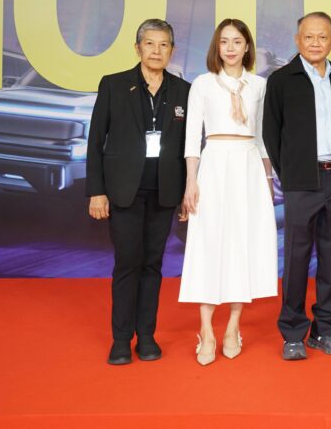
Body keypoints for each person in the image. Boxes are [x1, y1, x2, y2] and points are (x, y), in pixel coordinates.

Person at [86, 19, 190, 365]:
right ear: (138, 48)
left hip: (164, 192)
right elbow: (95, 141)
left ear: (172, 50)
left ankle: (146, 336)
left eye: (163, 45)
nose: (156, 51)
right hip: (123, 190)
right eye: (150, 44)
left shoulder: (184, 91)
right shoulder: (114, 85)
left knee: (153, 264)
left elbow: (189, 147)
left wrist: (186, 192)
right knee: (128, 262)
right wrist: (97, 191)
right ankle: (120, 339)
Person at [178, 19, 278, 365]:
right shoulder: (202, 84)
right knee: (208, 244)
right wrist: (191, 181)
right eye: (224, 42)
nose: (231, 48)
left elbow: (262, 136)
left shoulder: (260, 85)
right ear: (216, 47)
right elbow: (192, 136)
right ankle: (206, 329)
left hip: (248, 166)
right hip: (214, 165)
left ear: (247, 46)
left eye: (237, 41)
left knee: (243, 245)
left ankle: (233, 326)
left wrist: (267, 179)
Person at [263, 12, 331, 361]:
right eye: (308, 37)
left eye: (322, 37)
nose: (315, 43)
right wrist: (290, 174)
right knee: (297, 257)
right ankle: (292, 333)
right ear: (297, 40)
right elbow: (271, 133)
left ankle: (326, 330)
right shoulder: (281, 80)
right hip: (301, 181)